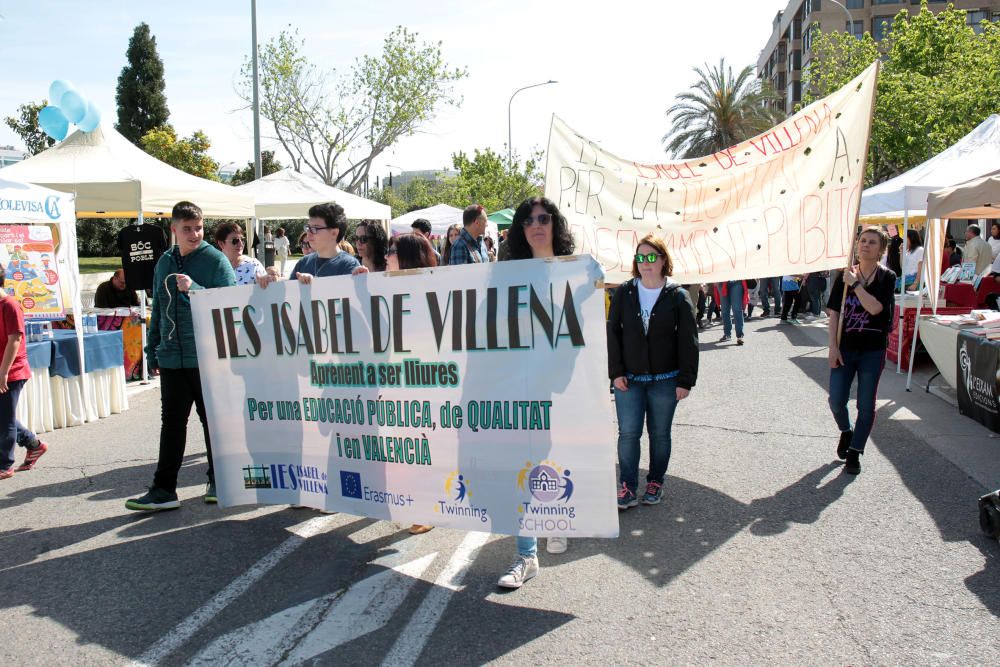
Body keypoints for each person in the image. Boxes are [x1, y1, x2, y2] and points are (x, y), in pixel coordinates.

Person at [126, 201, 237, 511]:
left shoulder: (215, 261)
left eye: (198, 228)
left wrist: (196, 289)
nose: (194, 234)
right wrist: (153, 350)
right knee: (172, 423)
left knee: (213, 421)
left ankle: (220, 480)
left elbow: (231, 306)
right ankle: (164, 489)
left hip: (208, 357)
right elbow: (158, 308)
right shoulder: (164, 262)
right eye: (187, 228)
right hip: (173, 357)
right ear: (173, 229)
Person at [496, 196, 578, 589]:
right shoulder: (506, 275)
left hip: (562, 387)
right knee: (522, 467)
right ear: (520, 229)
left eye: (544, 218)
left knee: (556, 459)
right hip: (519, 387)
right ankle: (526, 555)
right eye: (528, 220)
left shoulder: (575, 272)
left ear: (554, 224)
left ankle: (557, 519)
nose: (537, 224)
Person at [608, 233, 698, 509]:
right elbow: (613, 333)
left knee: (660, 434)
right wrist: (616, 372)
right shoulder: (625, 292)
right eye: (640, 257)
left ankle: (656, 481)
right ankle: (627, 486)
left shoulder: (678, 296)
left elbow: (688, 341)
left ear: (662, 260)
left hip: (665, 381)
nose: (645, 262)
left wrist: (686, 380)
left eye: (651, 257)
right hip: (630, 380)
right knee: (628, 434)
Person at [827, 227, 896, 475]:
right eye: (862, 241)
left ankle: (855, 452)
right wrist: (832, 347)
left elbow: (875, 308)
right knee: (836, 401)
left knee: (866, 406)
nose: (866, 245)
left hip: (872, 351)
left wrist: (855, 284)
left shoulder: (887, 278)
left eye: (872, 242)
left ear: (881, 250)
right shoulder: (843, 276)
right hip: (845, 348)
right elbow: (834, 314)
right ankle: (846, 431)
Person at [0, 264, 48, 481]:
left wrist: (3, 372)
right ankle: (33, 444)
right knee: (3, 416)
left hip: (12, 370)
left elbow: (15, 339)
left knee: (5, 419)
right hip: (3, 369)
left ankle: (4, 465)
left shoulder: (9, 305)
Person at [289, 203, 360, 283]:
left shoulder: (349, 265)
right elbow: (287, 294)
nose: (308, 233)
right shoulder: (304, 262)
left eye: (315, 228)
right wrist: (274, 283)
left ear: (334, 233)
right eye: (308, 228)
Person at [714, 279, 747, 344]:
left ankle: (739, 335)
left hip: (736, 280)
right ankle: (727, 334)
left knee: (737, 309)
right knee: (725, 310)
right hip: (721, 281)